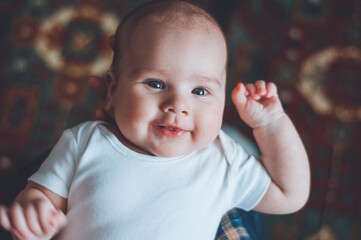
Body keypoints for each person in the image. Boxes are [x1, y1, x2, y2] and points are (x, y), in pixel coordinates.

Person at [0, 1, 310, 239]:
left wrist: (271, 125)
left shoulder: (221, 159)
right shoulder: (86, 141)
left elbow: (289, 194)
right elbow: (42, 194)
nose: (177, 106)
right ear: (111, 91)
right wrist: (34, 210)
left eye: (200, 90)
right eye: (156, 84)